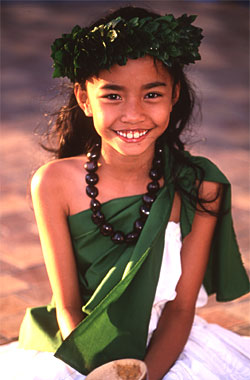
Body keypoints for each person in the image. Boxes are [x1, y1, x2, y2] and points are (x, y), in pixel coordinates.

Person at [1, 6, 250, 380]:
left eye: (152, 94)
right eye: (113, 96)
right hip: (79, 344)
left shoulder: (200, 187)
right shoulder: (52, 184)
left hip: (165, 346)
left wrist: (144, 377)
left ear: (174, 95)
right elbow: (68, 306)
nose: (133, 115)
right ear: (85, 99)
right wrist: (95, 373)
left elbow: (181, 310)